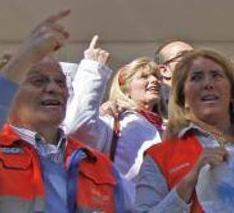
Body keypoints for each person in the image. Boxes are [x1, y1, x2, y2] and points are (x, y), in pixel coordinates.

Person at [0, 11, 128, 212]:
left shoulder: (99, 166)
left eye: (60, 81)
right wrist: (23, 59)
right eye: (38, 80)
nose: (53, 88)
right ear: (8, 94)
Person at [137, 49, 234, 212]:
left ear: (232, 93)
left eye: (216, 75)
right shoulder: (159, 156)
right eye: (196, 78)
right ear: (183, 98)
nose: (208, 84)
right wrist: (190, 180)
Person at [68, 57, 164, 197]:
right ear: (125, 89)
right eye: (144, 76)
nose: (155, 80)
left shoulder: (167, 126)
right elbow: (78, 127)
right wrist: (93, 70)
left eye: (156, 76)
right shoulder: (116, 122)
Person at [154, 40, 194, 119]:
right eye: (184, 56)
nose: (194, 60)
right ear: (164, 71)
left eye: (196, 56)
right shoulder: (156, 102)